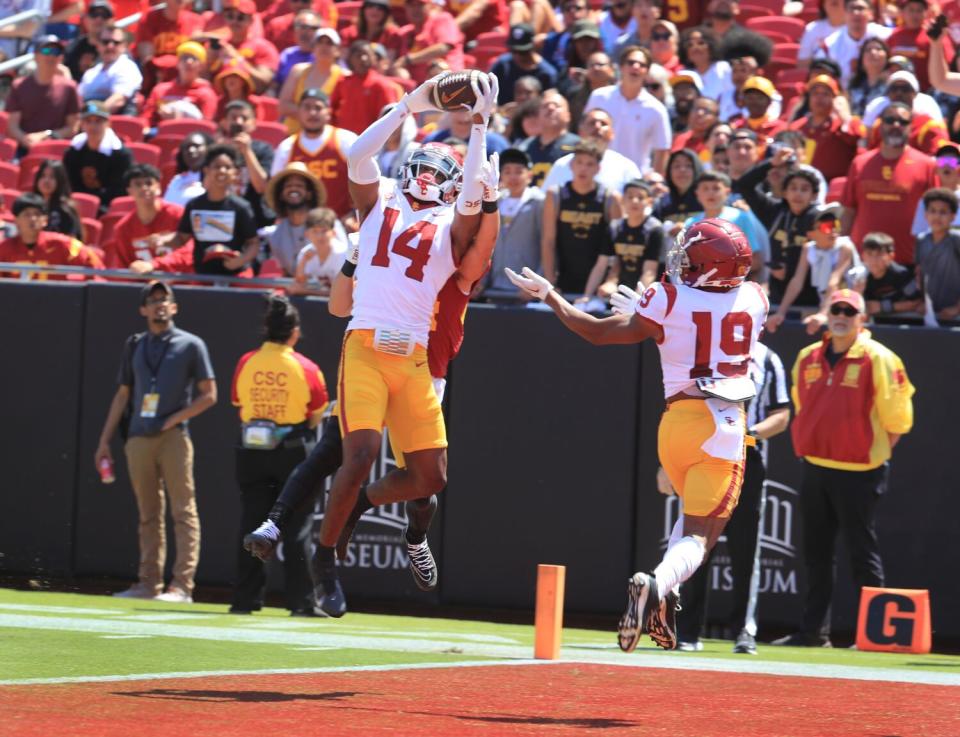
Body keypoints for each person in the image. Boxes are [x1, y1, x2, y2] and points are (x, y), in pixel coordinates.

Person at [505, 217, 768, 651]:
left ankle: (664, 596)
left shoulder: (665, 297)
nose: (681, 260)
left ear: (709, 264)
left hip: (676, 424)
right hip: (722, 425)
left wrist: (550, 295)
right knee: (701, 537)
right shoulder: (756, 298)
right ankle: (657, 583)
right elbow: (716, 323)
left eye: (691, 255)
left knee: (687, 526)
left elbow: (593, 332)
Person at [302, 72, 498, 617]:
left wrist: (479, 128)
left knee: (430, 477)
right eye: (425, 166)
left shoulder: (450, 226)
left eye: (443, 173)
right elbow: (359, 155)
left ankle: (355, 513)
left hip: (412, 353)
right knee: (360, 453)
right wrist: (407, 105)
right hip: (364, 343)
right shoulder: (380, 202)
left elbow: (474, 201)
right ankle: (323, 560)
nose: (430, 178)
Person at [774, 289, 914, 647]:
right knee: (816, 554)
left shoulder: (880, 357)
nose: (840, 316)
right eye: (835, 309)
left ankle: (874, 633)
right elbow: (802, 404)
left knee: (861, 552)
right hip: (816, 466)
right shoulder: (808, 356)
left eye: (848, 311)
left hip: (860, 470)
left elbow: (897, 418)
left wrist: (868, 448)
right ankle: (812, 633)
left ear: (861, 318)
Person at [94, 281, 217, 603]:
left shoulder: (192, 344)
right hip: (138, 437)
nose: (160, 305)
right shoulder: (134, 345)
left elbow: (210, 395)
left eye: (166, 300)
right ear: (143, 309)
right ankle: (147, 584)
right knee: (148, 514)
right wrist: (104, 442)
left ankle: (182, 587)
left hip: (174, 437)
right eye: (154, 300)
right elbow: (123, 396)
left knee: (183, 511)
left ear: (174, 307)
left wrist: (172, 419)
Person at [674, 340, 790, 654]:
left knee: (745, 548)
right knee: (696, 542)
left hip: (747, 458)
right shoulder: (706, 349)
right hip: (707, 454)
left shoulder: (769, 357)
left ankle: (743, 631)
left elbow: (782, 414)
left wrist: (750, 433)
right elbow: (682, 406)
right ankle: (687, 631)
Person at [229, 294, 328, 615]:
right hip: (293, 454)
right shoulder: (307, 368)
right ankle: (301, 603)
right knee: (297, 528)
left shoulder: (247, 362)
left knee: (252, 524)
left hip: (252, 451)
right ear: (294, 333)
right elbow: (316, 415)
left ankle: (245, 601)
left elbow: (239, 406)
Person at [841, 102, 937, 265]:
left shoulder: (926, 165)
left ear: (911, 127)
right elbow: (849, 211)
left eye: (903, 121)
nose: (896, 125)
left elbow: (935, 214)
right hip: (863, 262)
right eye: (890, 120)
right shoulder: (859, 163)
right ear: (880, 124)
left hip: (909, 262)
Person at [733, 149, 819, 305]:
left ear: (814, 195)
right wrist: (771, 164)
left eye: (804, 189)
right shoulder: (773, 211)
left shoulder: (819, 218)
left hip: (812, 296)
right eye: (793, 188)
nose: (798, 194)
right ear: (784, 192)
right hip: (777, 294)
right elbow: (744, 185)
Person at [165, 144, 260, 277]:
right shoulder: (194, 205)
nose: (222, 171)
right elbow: (181, 238)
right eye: (216, 166)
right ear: (206, 170)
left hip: (236, 278)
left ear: (235, 173)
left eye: (227, 167)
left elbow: (253, 243)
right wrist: (161, 240)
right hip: (202, 276)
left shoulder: (241, 207)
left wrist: (240, 261)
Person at [541, 140, 620, 300]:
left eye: (590, 164)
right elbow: (548, 240)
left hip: (599, 285)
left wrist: (612, 280)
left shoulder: (610, 198)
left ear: (598, 168)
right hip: (563, 279)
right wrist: (550, 283)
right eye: (579, 162)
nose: (583, 168)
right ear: (571, 165)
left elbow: (621, 245)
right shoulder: (555, 195)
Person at [765, 204, 861, 332]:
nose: (833, 231)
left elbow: (834, 281)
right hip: (829, 306)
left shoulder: (845, 247)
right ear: (810, 234)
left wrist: (823, 313)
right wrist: (780, 313)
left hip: (851, 308)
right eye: (826, 227)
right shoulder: (808, 249)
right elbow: (796, 282)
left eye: (836, 225)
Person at [272, 89, 359, 226]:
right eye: (307, 107)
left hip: (343, 222)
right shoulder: (287, 147)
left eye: (318, 108)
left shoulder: (346, 140)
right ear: (298, 112)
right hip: (301, 227)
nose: (312, 113)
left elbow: (365, 181)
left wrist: (355, 213)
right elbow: (276, 190)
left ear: (328, 112)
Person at [585, 45, 670, 175]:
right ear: (621, 67)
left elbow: (662, 150)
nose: (635, 67)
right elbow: (585, 133)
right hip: (597, 176)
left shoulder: (656, 109)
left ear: (647, 72)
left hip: (634, 182)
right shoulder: (599, 97)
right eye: (630, 63)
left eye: (641, 65)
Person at [4, 35, 81, 156]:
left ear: (61, 57)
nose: (51, 56)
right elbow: (12, 125)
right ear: (35, 56)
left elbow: (73, 127)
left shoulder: (69, 87)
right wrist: (26, 140)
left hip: (56, 149)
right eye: (46, 50)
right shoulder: (19, 86)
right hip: (24, 149)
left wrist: (48, 135)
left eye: (56, 52)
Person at [484, 147, 544, 294]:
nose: (513, 177)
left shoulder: (538, 202)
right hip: (495, 284)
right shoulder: (495, 201)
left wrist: (539, 280)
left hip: (527, 287)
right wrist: (482, 280)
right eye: (507, 172)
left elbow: (547, 243)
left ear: (529, 175)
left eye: (519, 171)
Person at [685, 171, 768, 279]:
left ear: (727, 192)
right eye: (705, 188)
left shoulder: (741, 217)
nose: (710, 193)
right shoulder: (691, 223)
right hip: (698, 288)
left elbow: (755, 260)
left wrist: (726, 269)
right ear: (697, 194)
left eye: (716, 188)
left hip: (733, 287)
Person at [0, 193, 104, 279]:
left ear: (45, 220)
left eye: (37, 214)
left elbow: (91, 262)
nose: (32, 219)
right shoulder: (4, 248)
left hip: (54, 301)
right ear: (16, 220)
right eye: (27, 214)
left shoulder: (62, 244)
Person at [541, 108, 642, 195]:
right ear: (580, 131)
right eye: (592, 123)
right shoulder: (562, 165)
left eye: (603, 124)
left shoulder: (626, 167)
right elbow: (545, 202)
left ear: (612, 134)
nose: (597, 127)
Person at [789, 75, 863, 184]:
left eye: (825, 94)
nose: (819, 98)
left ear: (835, 98)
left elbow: (855, 140)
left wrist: (844, 116)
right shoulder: (796, 127)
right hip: (801, 186)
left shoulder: (844, 124)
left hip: (833, 186)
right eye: (815, 94)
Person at [109, 164, 185, 268]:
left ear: (158, 187)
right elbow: (124, 267)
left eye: (149, 183)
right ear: (129, 191)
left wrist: (154, 265)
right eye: (138, 184)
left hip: (179, 281)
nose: (144, 188)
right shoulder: (123, 228)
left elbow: (189, 253)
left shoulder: (179, 215)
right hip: (143, 283)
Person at [63, 101, 135, 211]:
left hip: (108, 207)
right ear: (81, 124)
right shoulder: (73, 152)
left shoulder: (121, 155)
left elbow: (119, 191)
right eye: (88, 121)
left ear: (108, 124)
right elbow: (69, 183)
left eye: (98, 121)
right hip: (77, 205)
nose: (93, 126)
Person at [263, 161, 327, 277]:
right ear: (281, 195)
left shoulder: (327, 225)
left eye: (299, 186)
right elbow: (288, 274)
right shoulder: (275, 235)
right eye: (288, 186)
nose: (293, 189)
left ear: (309, 194)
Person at [600, 178, 663, 294]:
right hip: (620, 292)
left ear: (650, 202)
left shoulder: (655, 229)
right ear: (622, 200)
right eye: (630, 197)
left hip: (646, 295)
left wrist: (638, 302)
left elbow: (649, 272)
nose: (634, 201)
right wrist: (588, 295)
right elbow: (601, 264)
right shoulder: (615, 227)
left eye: (640, 197)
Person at [277, 28, 344, 133]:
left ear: (338, 50)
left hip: (327, 138)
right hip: (293, 135)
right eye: (319, 42)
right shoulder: (298, 70)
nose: (323, 47)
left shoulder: (344, 76)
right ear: (313, 48)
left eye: (329, 43)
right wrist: (313, 116)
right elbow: (283, 106)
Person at [204, 0, 279, 94]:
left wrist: (237, 59)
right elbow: (202, 81)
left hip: (248, 103)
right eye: (230, 16)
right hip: (220, 101)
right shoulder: (218, 45)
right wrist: (208, 64)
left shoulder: (264, 47)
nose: (234, 21)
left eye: (240, 17)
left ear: (251, 20)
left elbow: (264, 82)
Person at [330, 41, 403, 135]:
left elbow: (390, 116)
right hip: (344, 140)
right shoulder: (343, 82)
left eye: (367, 55)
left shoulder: (382, 85)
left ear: (373, 58)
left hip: (371, 141)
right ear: (350, 59)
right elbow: (331, 109)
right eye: (358, 55)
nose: (363, 59)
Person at [815, 0, 891, 88]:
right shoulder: (829, 45)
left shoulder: (887, 36)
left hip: (880, 91)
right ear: (844, 13)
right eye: (851, 9)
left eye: (860, 8)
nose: (856, 13)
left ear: (871, 13)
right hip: (842, 94)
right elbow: (818, 75)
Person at [141, 41, 218, 127]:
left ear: (201, 66)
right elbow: (146, 118)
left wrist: (178, 120)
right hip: (160, 135)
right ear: (178, 63)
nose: (189, 62)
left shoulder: (207, 94)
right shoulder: (161, 90)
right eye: (184, 57)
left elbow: (206, 126)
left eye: (194, 58)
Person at [517, 89, 580, 187]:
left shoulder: (578, 146)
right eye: (545, 106)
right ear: (538, 116)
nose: (550, 108)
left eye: (557, 106)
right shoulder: (524, 147)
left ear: (568, 116)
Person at [915, 187, 960, 322]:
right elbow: (920, 275)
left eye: (943, 212)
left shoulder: (956, 240)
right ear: (925, 214)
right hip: (931, 315)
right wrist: (923, 302)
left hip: (954, 315)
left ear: (953, 216)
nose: (937, 216)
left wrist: (957, 308)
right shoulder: (921, 240)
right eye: (932, 211)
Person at [887, 0, 951, 92]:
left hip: (929, 92)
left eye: (919, 10)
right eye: (911, 10)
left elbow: (947, 65)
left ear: (926, 13)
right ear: (903, 12)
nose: (915, 14)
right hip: (898, 91)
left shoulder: (934, 36)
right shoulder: (894, 36)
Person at [77, 23, 142, 114]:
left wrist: (90, 116)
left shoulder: (127, 67)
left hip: (114, 122)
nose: (110, 46)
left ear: (124, 46)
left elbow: (118, 100)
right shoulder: (91, 73)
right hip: (88, 120)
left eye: (116, 43)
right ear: (98, 45)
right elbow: (78, 98)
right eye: (105, 42)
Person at [396, 0, 465, 84]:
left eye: (420, 5)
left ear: (430, 6)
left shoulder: (442, 19)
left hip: (449, 81)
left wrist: (408, 59)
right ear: (405, 8)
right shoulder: (405, 32)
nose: (415, 9)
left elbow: (443, 48)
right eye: (411, 5)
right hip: (418, 89)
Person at [490, 23, 558, 105]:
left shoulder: (547, 73)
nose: (517, 55)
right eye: (514, 51)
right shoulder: (503, 65)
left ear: (533, 46)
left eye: (522, 52)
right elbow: (488, 93)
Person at [861, 232, 923, 319]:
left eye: (879, 254)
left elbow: (917, 302)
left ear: (891, 257)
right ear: (863, 256)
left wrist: (882, 306)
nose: (874, 260)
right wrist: (858, 292)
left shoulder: (901, 275)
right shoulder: (861, 277)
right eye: (869, 254)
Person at [292, 207, 347, 294]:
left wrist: (306, 291)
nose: (319, 236)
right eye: (315, 231)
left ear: (333, 233)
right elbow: (298, 284)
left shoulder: (343, 254)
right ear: (307, 234)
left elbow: (343, 293)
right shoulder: (305, 253)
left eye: (324, 231)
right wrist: (303, 262)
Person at [911, 144, 960, 235]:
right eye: (942, 161)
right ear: (936, 169)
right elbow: (919, 235)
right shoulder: (926, 200)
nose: (946, 165)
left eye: (952, 161)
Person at [653, 148, 703, 228]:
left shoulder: (707, 199)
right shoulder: (661, 203)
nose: (682, 170)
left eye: (688, 165)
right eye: (676, 166)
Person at [32, 160, 82, 239]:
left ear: (60, 181)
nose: (46, 181)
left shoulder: (66, 210)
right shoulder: (30, 206)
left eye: (52, 177)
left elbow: (72, 242)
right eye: (43, 176)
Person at [65, 0, 113, 81]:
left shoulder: (116, 48)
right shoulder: (72, 47)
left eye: (104, 15)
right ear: (85, 19)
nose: (99, 19)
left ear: (111, 21)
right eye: (94, 14)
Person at [274, 8, 320, 89]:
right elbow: (275, 84)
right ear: (294, 30)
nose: (306, 32)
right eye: (301, 27)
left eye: (312, 28)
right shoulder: (288, 54)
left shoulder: (323, 56)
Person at [164, 132, 211, 207]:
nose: (191, 150)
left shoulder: (215, 180)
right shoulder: (177, 180)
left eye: (196, 146)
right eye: (187, 147)